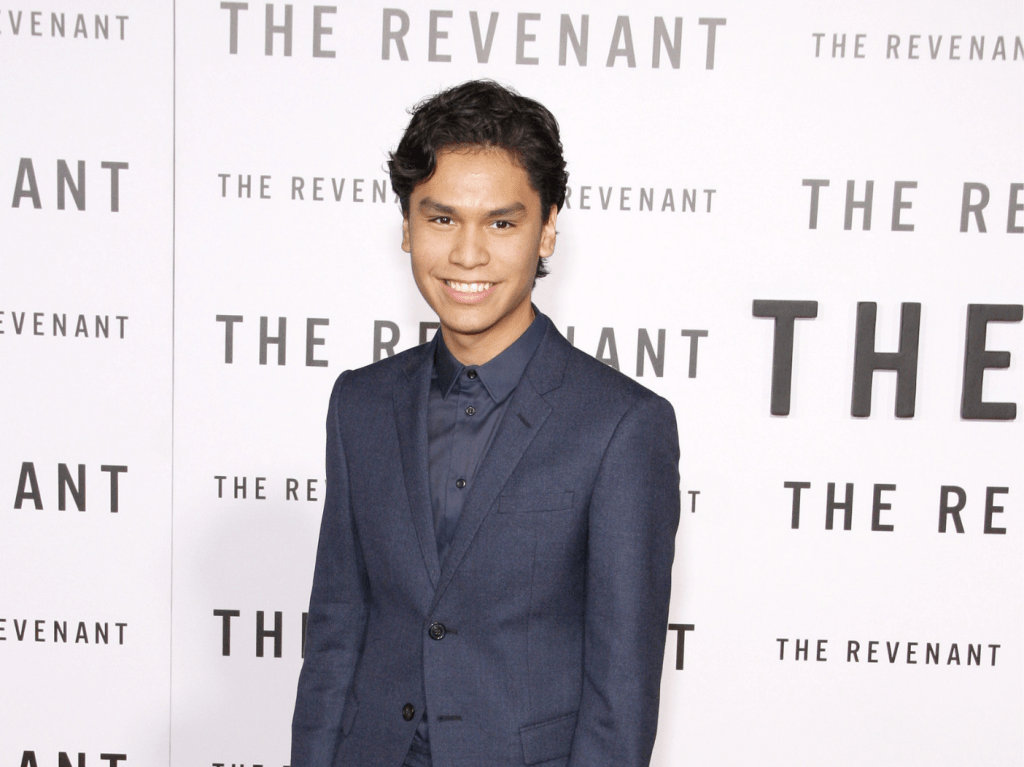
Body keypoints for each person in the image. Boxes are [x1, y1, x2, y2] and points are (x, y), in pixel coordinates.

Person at [291, 79, 681, 767]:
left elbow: (620, 693)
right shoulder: (360, 404)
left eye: (501, 222)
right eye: (442, 219)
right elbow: (335, 637)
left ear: (547, 228)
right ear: (407, 228)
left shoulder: (622, 426)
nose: (468, 254)